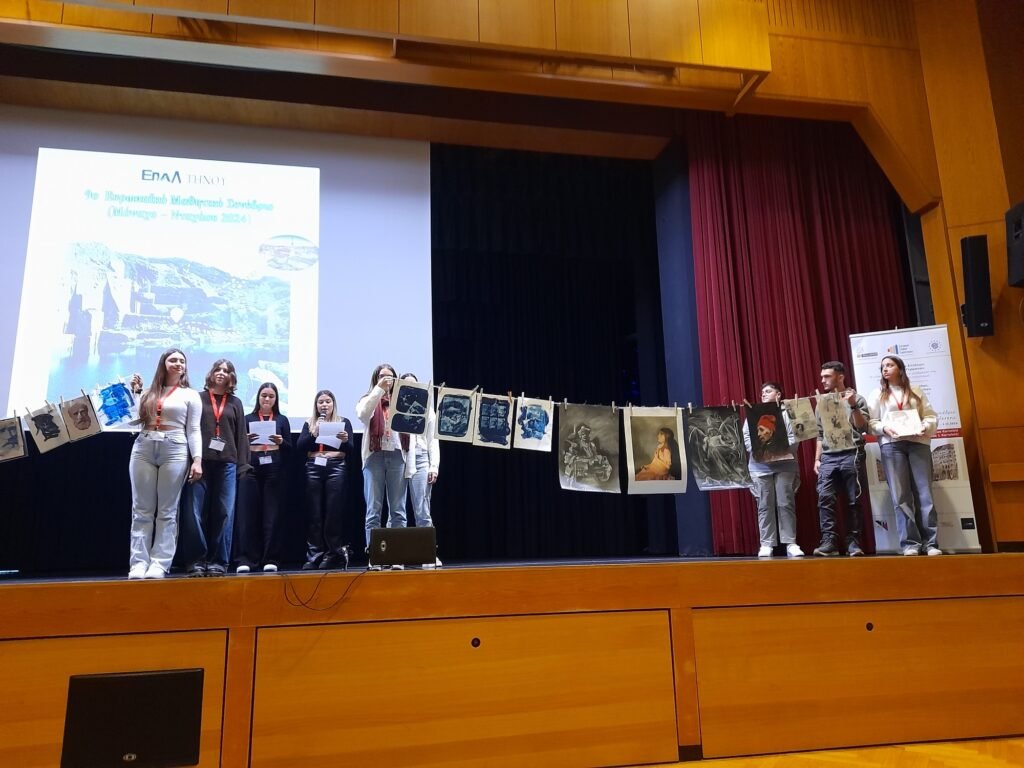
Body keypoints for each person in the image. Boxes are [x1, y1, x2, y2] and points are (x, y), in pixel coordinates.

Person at [127, 348, 203, 579]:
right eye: (173, 360)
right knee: (141, 510)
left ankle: (159, 563)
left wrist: (197, 460)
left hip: (175, 447)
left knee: (168, 511)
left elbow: (194, 429)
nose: (178, 364)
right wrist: (135, 394)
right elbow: (133, 421)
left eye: (182, 361)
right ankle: (138, 563)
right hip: (144, 446)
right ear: (163, 363)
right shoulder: (148, 392)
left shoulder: (190, 394)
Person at [180, 359, 250, 577]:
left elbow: (241, 435)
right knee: (194, 512)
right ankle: (196, 560)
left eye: (226, 371)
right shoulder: (197, 398)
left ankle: (218, 561)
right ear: (211, 373)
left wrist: (242, 465)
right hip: (199, 462)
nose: (221, 373)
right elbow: (188, 429)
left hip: (227, 463)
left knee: (225, 512)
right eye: (218, 369)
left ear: (232, 377)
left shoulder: (235, 402)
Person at [867, 355, 941, 556]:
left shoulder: (915, 390)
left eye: (890, 365)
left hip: (918, 443)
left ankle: (931, 543)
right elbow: (871, 422)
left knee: (925, 493)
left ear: (900, 368)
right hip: (892, 446)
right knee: (900, 496)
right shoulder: (877, 393)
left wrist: (925, 426)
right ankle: (910, 544)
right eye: (882, 366)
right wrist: (884, 428)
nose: (885, 369)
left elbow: (930, 415)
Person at [813, 361, 869, 557]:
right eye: (822, 377)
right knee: (825, 498)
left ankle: (853, 542)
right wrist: (817, 459)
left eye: (827, 376)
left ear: (840, 377)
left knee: (854, 500)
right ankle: (829, 541)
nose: (823, 380)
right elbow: (820, 434)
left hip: (852, 453)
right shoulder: (821, 402)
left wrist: (852, 405)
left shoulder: (857, 399)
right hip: (828, 456)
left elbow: (862, 427)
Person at [356, 363, 410, 568]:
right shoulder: (367, 399)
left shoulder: (402, 401)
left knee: (398, 510)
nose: (386, 379)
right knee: (373, 510)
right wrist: (378, 390)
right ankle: (375, 556)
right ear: (375, 379)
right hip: (374, 457)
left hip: (397, 455)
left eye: (390, 376)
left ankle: (397, 556)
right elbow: (363, 414)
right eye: (382, 376)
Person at [236, 382, 292, 573]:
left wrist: (281, 441)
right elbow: (237, 446)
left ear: (276, 399)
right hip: (251, 466)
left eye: (271, 396)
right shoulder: (247, 418)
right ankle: (246, 559)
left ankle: (271, 558)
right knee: (247, 515)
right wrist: (246, 440)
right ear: (258, 397)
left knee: (272, 515)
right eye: (264, 395)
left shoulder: (281, 419)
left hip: (274, 468)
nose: (267, 399)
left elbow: (290, 449)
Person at [742, 382, 803, 558]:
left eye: (768, 391)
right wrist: (760, 451)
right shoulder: (753, 413)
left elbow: (795, 437)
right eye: (762, 392)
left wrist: (779, 451)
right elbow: (747, 437)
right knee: (764, 505)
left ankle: (790, 543)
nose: (763, 394)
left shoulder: (788, 412)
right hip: (759, 467)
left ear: (778, 394)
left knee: (786, 504)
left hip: (785, 466)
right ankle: (766, 544)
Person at [296, 389, 353, 569]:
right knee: (314, 513)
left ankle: (333, 554)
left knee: (333, 513)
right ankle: (314, 555)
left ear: (333, 404)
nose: (324, 405)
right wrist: (313, 433)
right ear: (316, 405)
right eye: (321, 402)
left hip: (336, 466)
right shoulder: (310, 423)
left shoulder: (343, 422)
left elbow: (351, 448)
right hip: (314, 467)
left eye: (328, 401)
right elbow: (300, 447)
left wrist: (345, 440)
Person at [400, 373, 442, 568]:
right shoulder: (395, 406)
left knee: (422, 509)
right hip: (399, 458)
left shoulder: (426, 407)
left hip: (421, 458)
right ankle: (395, 556)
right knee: (397, 510)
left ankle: (428, 554)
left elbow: (433, 439)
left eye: (414, 385)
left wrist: (434, 466)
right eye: (406, 384)